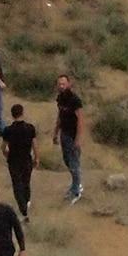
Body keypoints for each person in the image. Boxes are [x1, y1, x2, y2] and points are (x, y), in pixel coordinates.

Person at [1, 104, 40, 221]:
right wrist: (37, 158)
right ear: (22, 113)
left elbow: (3, 147)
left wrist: (7, 155)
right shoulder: (30, 128)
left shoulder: (8, 130)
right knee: (26, 182)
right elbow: (35, 145)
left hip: (14, 160)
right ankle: (26, 203)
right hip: (26, 159)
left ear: (12, 115)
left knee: (17, 184)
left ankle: (23, 209)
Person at [55, 74, 86, 204]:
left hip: (73, 135)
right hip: (64, 133)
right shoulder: (60, 98)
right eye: (59, 84)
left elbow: (80, 120)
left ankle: (76, 190)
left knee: (74, 163)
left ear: (69, 84)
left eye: (63, 84)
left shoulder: (75, 100)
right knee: (67, 161)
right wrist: (55, 132)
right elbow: (60, 115)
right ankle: (75, 184)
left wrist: (78, 139)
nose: (61, 86)